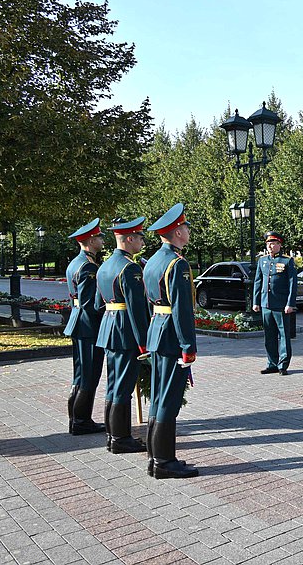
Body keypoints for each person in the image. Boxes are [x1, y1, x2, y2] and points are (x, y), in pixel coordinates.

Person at [144, 203, 198, 479]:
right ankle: (164, 462)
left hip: (157, 332)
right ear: (177, 232)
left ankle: (156, 458)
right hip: (171, 338)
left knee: (158, 397)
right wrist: (188, 347)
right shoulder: (177, 264)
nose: (189, 231)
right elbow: (182, 309)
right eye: (186, 228)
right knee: (168, 399)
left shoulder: (153, 261)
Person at [93, 216, 149, 454]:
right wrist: (144, 343)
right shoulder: (130, 267)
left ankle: (111, 435)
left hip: (109, 328)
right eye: (139, 237)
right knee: (124, 386)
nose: (141, 241)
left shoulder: (104, 265)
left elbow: (98, 304)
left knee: (113, 385)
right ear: (129, 239)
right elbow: (137, 310)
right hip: (126, 331)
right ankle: (120, 438)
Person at [64, 218, 106, 436]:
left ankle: (76, 419)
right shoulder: (88, 266)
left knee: (80, 374)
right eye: (98, 237)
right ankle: (81, 421)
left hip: (78, 322)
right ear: (90, 240)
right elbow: (92, 304)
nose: (101, 240)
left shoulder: (75, 263)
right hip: (89, 326)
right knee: (89, 374)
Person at [253, 231, 297, 375]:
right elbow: (258, 282)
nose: (270, 246)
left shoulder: (287, 260)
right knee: (269, 336)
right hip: (266, 304)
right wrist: (256, 301)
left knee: (284, 335)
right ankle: (271, 363)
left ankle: (283, 364)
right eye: (268, 243)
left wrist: (290, 303)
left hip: (281, 305)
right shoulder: (262, 260)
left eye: (273, 243)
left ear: (279, 244)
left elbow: (292, 283)